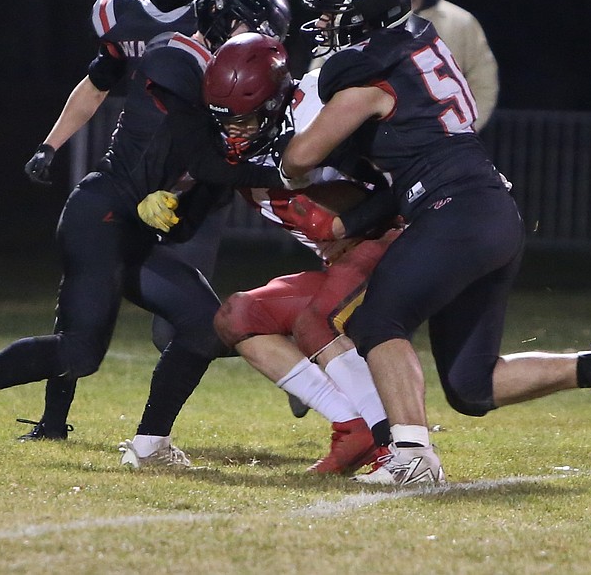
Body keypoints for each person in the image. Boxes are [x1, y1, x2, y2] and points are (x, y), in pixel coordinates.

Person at [279, 0, 591, 486]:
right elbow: (399, 179)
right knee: (471, 386)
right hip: (489, 211)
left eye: (328, 12)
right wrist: (350, 222)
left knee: (377, 320)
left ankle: (413, 457)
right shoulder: (417, 47)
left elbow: (299, 158)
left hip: (454, 210)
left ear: (357, 13)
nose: (320, 24)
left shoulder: (370, 73)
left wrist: (281, 146)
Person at [0, 0, 293, 465]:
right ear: (224, 21)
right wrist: (285, 172)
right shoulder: (175, 59)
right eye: (255, 27)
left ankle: (150, 445)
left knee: (204, 324)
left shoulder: (214, 64)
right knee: (80, 352)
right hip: (105, 216)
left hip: (141, 226)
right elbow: (203, 161)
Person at [15, 0, 229, 441]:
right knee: (81, 300)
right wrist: (50, 145)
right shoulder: (118, 9)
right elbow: (99, 80)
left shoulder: (222, 11)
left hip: (192, 185)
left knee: (177, 326)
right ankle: (54, 420)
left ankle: (287, 376)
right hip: (129, 178)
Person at [148, 32, 401, 474]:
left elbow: (393, 187)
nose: (232, 131)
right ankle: (351, 426)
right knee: (238, 316)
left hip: (386, 246)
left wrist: (346, 223)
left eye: (243, 120)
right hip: (340, 265)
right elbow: (206, 183)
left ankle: (394, 445)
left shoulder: (314, 112)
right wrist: (170, 206)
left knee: (314, 321)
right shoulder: (223, 143)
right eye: (224, 120)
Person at [382, 0, 499, 131]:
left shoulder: (461, 22)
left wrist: (462, 131)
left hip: (439, 148)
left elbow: (484, 82)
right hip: (374, 148)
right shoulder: (367, 20)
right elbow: (321, 73)